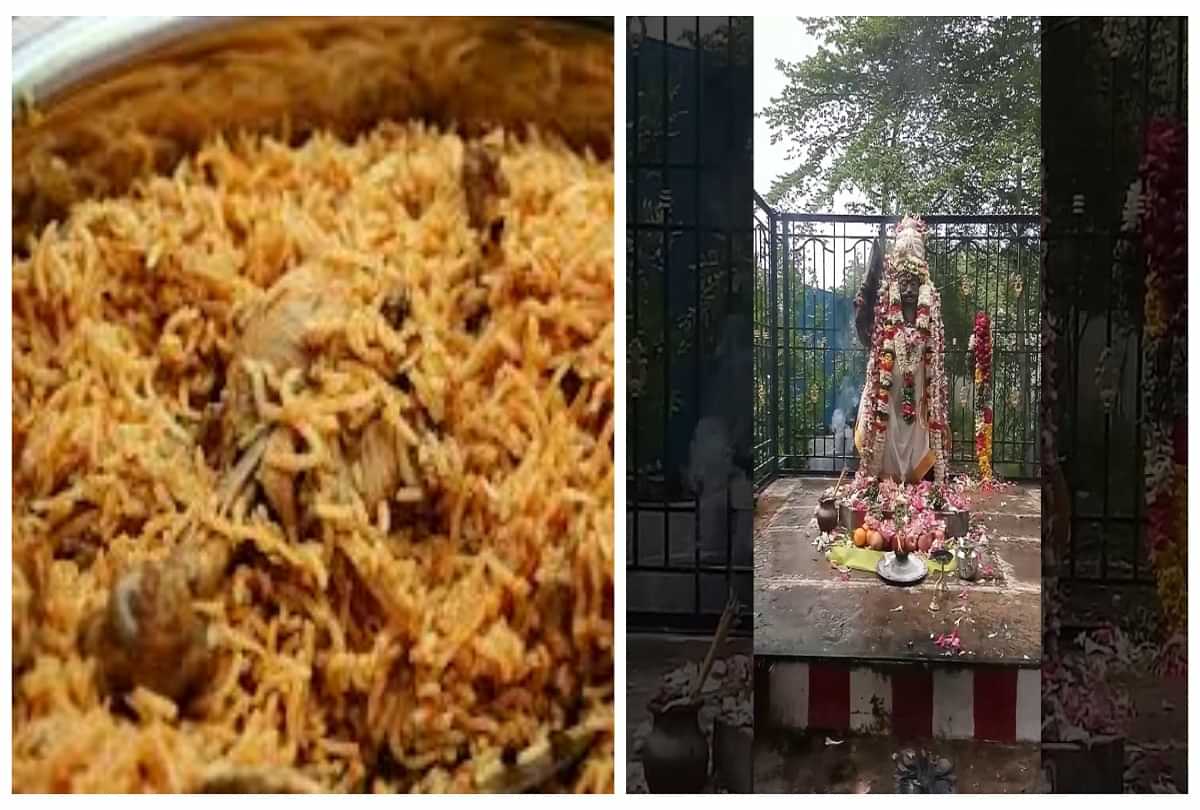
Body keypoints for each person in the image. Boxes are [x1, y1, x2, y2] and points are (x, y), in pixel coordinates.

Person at [852, 216, 950, 483]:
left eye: (913, 284)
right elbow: (871, 337)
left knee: (918, 423)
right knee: (885, 420)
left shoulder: (929, 313)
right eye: (903, 283)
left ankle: (918, 478)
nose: (908, 290)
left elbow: (934, 355)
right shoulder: (886, 310)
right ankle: (884, 477)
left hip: (917, 388)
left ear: (922, 286)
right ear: (895, 285)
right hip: (890, 387)